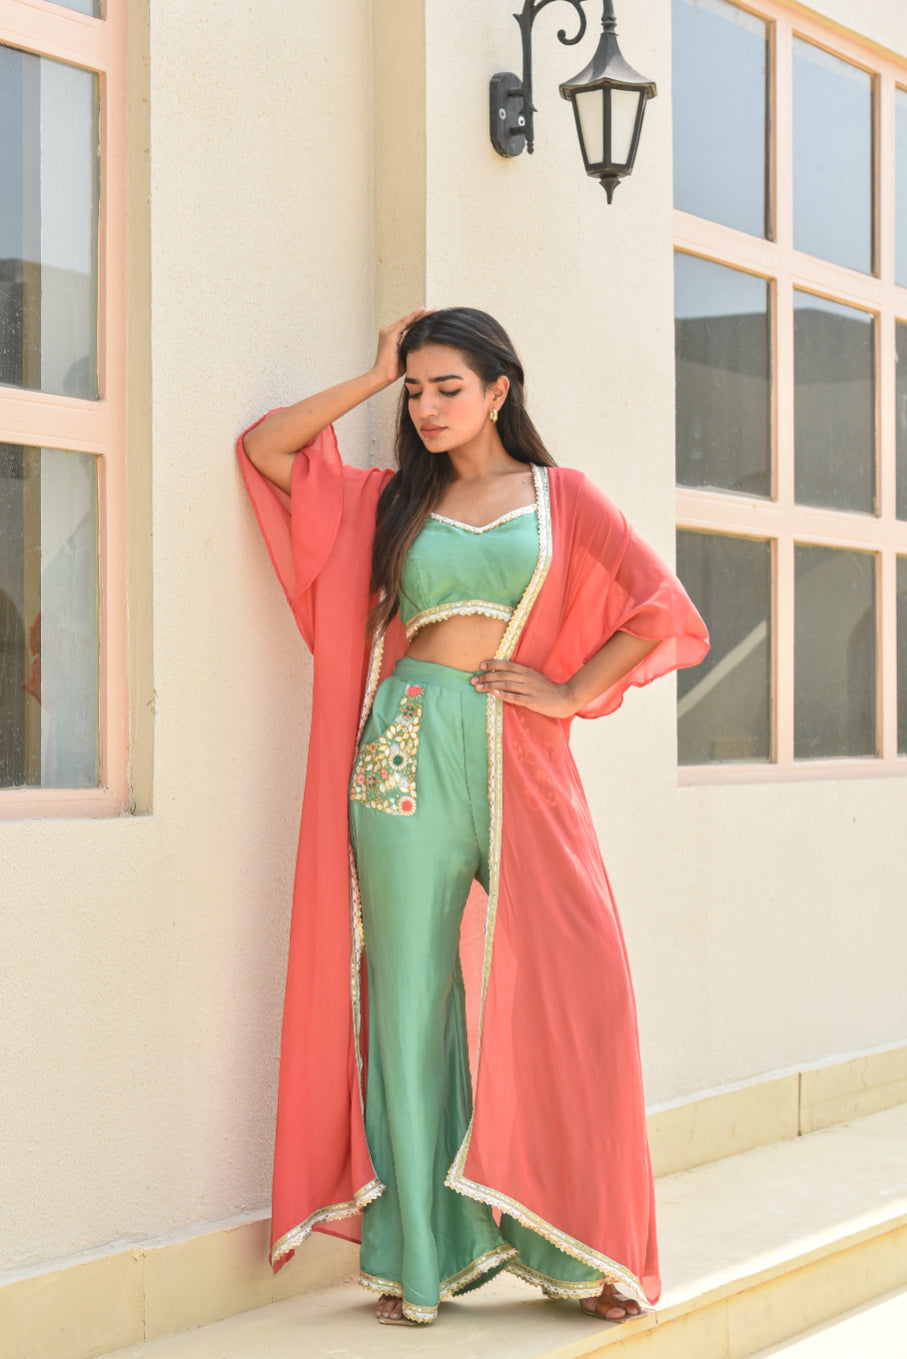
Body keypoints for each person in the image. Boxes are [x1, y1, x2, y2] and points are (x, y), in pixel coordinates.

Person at [238, 307, 708, 1327]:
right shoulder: (389, 501)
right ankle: (418, 1263)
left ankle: (578, 1249)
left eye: (448, 387)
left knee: (587, 981)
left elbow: (659, 609)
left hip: (516, 754)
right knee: (409, 1004)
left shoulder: (562, 497)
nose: (428, 407)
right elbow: (266, 448)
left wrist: (572, 689)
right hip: (402, 751)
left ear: (501, 389)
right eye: (417, 390)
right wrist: (371, 373)